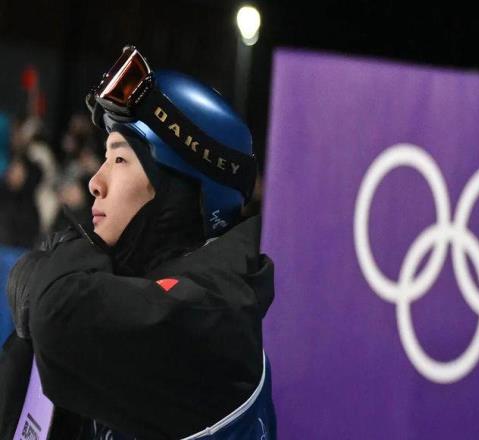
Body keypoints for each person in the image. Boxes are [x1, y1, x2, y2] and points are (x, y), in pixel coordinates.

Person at [0, 46, 276, 439]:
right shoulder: (135, 283)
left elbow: (57, 315)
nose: (96, 182)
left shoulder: (214, 316)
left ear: (176, 192)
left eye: (120, 160)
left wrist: (46, 274)